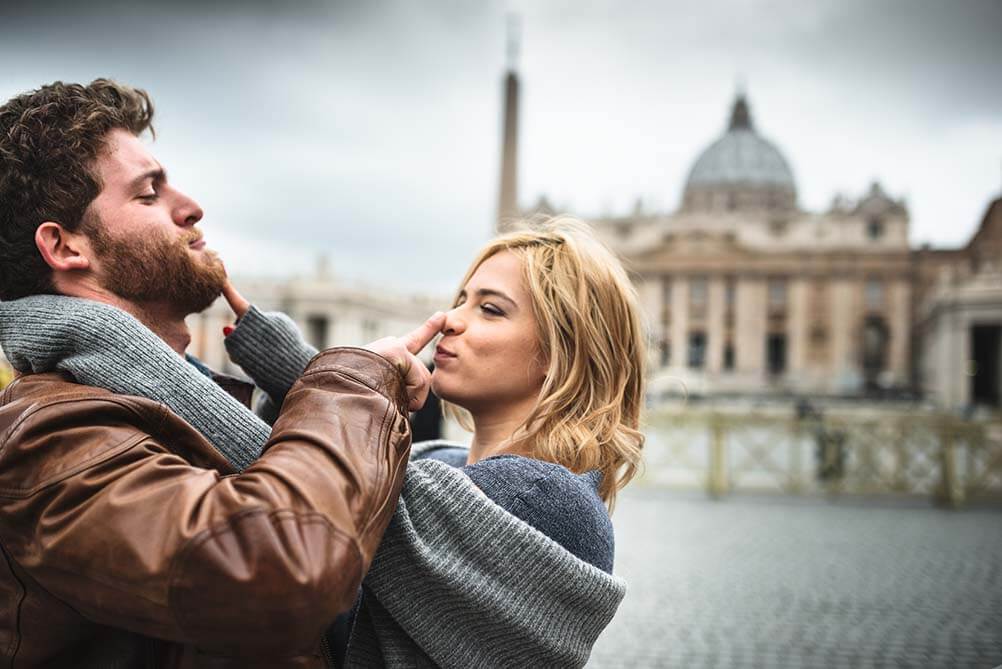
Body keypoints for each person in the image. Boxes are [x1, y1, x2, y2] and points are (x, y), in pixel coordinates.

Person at [0, 79, 444, 667]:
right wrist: (354, 382)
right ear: (66, 247)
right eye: (148, 193)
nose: (190, 206)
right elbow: (280, 570)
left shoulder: (187, 399)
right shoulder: (43, 444)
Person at [216, 218, 647, 667]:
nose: (448, 320)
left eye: (491, 310)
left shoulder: (541, 498)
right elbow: (359, 467)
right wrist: (298, 363)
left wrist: (138, 351)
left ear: (562, 354)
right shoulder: (445, 459)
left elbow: (333, 493)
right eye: (462, 300)